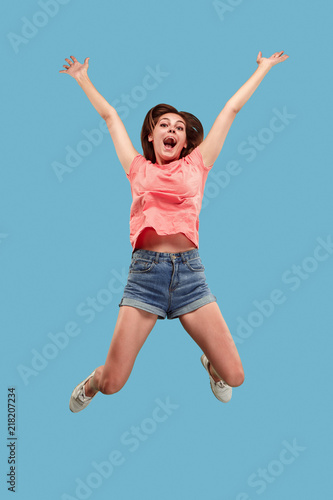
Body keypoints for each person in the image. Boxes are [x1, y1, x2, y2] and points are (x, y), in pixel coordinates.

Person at [59, 50, 289, 412]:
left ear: (185, 143)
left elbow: (230, 110)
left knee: (235, 376)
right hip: (145, 277)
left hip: (189, 276)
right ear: (151, 136)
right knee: (114, 384)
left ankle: (211, 366)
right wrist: (83, 78)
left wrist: (263, 68)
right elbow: (110, 117)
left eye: (179, 128)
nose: (172, 130)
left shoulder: (198, 164)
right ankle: (94, 380)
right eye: (164, 125)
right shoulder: (137, 167)